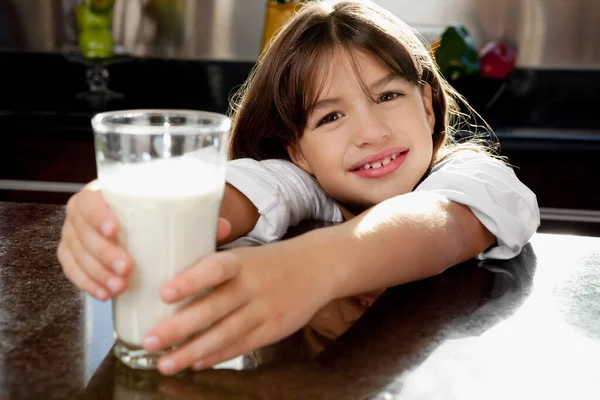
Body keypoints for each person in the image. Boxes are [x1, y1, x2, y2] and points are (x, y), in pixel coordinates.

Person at [57, 0, 540, 376]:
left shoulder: (476, 177)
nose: (370, 132)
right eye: (330, 116)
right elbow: (236, 189)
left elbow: (445, 221)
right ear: (298, 151)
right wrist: (120, 204)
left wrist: (316, 266)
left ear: (429, 108)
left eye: (389, 96)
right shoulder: (304, 183)